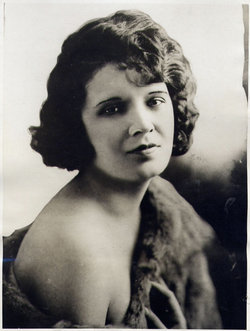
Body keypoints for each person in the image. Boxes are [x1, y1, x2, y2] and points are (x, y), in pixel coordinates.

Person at [3, 9, 222, 329]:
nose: (143, 125)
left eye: (154, 100)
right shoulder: (77, 253)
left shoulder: (156, 195)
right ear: (78, 126)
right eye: (114, 108)